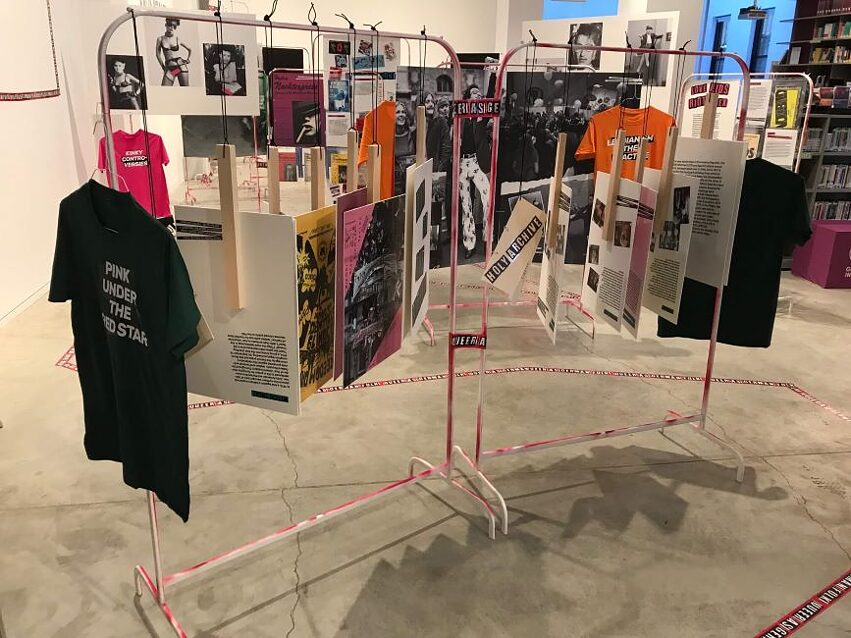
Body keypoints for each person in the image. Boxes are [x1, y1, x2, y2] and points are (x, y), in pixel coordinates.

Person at [458, 84, 491, 257]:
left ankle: (487, 241)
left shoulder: (482, 117)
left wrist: (492, 74)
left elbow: (491, 94)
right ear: (467, 98)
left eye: (479, 94)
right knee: (466, 205)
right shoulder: (461, 118)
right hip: (462, 163)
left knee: (487, 199)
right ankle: (469, 245)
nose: (477, 95)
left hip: (478, 163)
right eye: (473, 93)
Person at [156, 19, 191, 87]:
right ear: (166, 25)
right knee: (165, 90)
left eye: (174, 26)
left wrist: (188, 59)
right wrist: (163, 67)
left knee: (185, 90)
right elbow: (157, 54)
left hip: (181, 67)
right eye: (170, 25)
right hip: (171, 68)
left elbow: (190, 49)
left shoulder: (177, 38)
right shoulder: (160, 39)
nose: (172, 27)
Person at [424, 92, 451, 172]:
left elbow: (446, 149)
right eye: (427, 102)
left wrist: (439, 169)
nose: (431, 104)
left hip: (435, 170)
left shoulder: (440, 122)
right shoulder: (416, 127)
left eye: (432, 102)